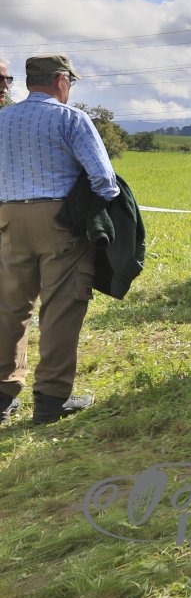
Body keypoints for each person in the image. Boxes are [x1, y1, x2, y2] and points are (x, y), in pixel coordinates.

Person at [0, 54, 119, 425]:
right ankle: (51, 398)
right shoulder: (71, 118)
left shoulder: (2, 119)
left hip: (8, 218)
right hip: (60, 222)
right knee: (61, 308)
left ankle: (2, 393)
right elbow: (104, 180)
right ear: (60, 80)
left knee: (10, 307)